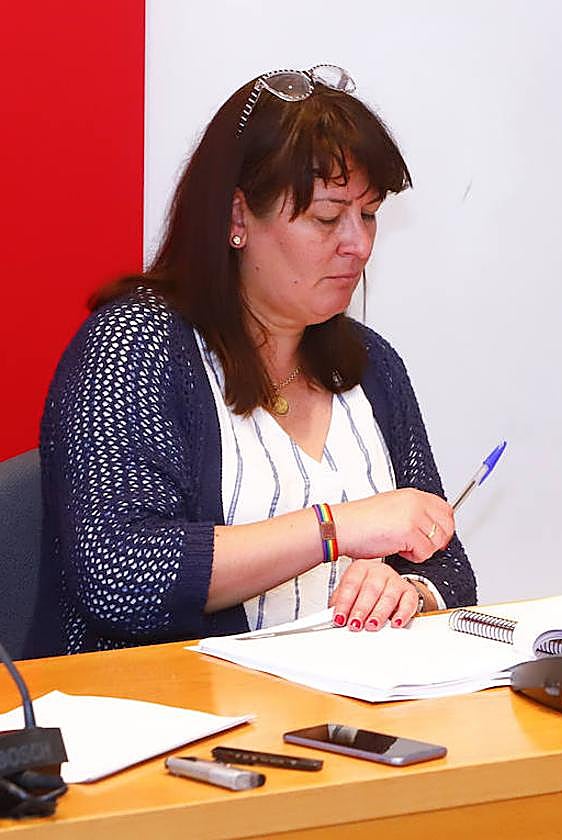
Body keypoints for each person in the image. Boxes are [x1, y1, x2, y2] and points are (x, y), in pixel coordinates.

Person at [39, 65, 476, 654]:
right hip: (180, 703)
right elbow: (123, 576)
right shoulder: (135, 345)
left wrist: (410, 590)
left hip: (347, 695)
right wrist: (335, 528)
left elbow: (446, 559)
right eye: (328, 217)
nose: (358, 244)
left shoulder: (373, 364)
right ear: (238, 217)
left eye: (369, 214)